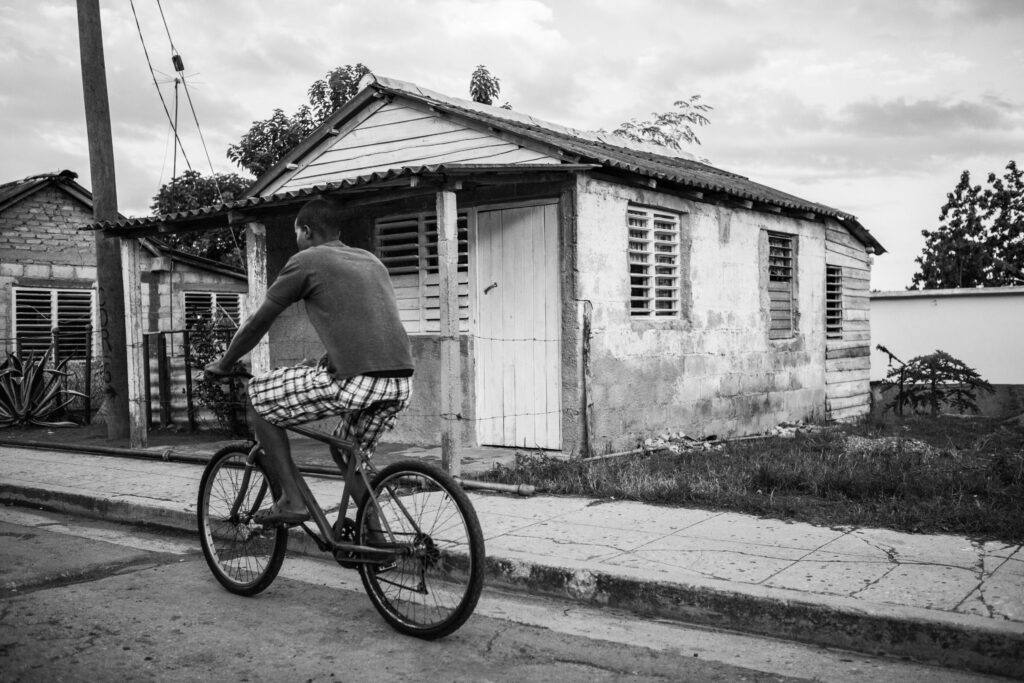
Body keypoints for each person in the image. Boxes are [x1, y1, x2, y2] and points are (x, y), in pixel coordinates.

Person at [205, 197, 413, 525]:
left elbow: (259, 321)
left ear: (306, 230)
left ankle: (291, 500)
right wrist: (324, 360)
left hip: (357, 380)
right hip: (401, 381)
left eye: (296, 235)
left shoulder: (307, 260)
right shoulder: (371, 261)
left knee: (259, 396)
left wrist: (225, 362)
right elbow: (369, 326)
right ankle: (376, 536)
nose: (296, 242)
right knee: (347, 452)